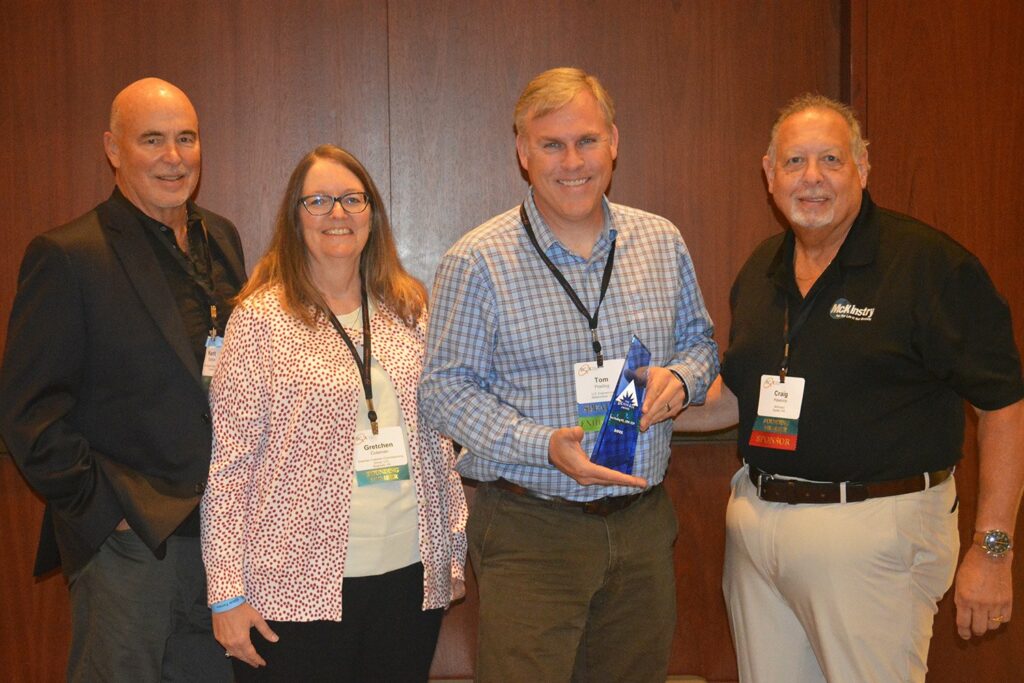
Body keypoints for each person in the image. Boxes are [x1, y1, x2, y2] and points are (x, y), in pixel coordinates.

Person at [675, 94, 1024, 682]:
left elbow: (1004, 406)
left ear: (864, 167)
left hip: (873, 535)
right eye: (794, 162)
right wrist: (629, 411)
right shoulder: (763, 269)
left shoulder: (928, 266)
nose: (812, 179)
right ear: (769, 174)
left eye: (831, 160)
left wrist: (993, 550)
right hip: (758, 527)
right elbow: (739, 401)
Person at [420, 67, 719, 682]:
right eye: (551, 144)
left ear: (613, 141)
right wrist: (544, 445)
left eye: (585, 140)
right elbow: (444, 392)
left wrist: (682, 380)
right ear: (523, 153)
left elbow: (701, 343)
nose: (572, 161)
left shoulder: (661, 242)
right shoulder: (478, 259)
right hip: (532, 530)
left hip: (641, 524)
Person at [0, 77, 245, 681]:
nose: (173, 157)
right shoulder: (68, 255)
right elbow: (27, 414)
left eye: (186, 138)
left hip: (223, 540)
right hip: (130, 544)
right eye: (152, 140)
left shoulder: (224, 239)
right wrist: (106, 512)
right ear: (113, 148)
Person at [201, 144, 467, 681]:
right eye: (318, 200)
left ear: (373, 213)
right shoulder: (260, 320)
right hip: (294, 588)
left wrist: (451, 552)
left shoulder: (409, 309)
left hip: (406, 580)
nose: (337, 214)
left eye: (352, 199)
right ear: (294, 217)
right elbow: (229, 467)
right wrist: (225, 594)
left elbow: (439, 445)